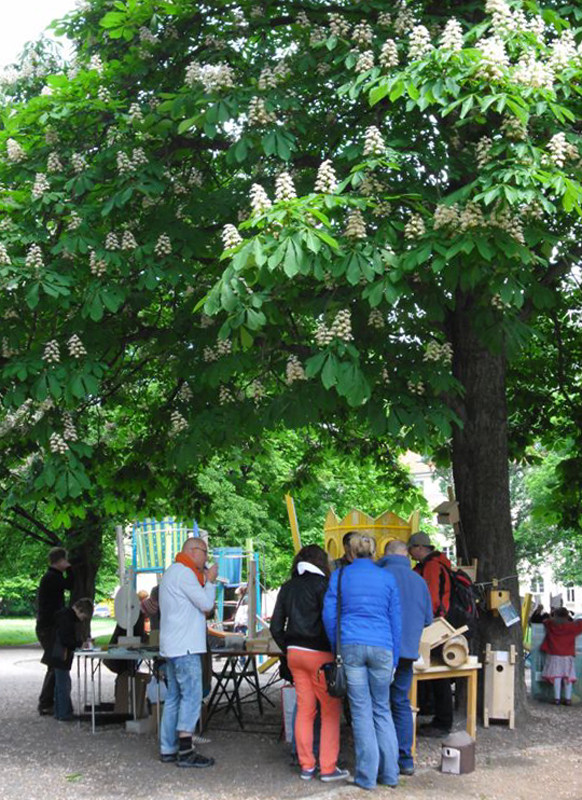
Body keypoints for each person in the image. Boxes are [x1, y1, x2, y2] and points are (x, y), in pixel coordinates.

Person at [323, 534, 401, 790]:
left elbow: (329, 615)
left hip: (351, 645)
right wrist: (395, 657)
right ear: (375, 552)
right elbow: (395, 620)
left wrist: (338, 646)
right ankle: (390, 773)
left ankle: (367, 777)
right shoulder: (387, 578)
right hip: (383, 647)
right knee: (382, 708)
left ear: (350, 553)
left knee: (360, 711)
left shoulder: (341, 576)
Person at [270, 544, 349, 783]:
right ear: (321, 562)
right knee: (330, 711)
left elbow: (275, 627)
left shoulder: (287, 587)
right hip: (320, 655)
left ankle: (306, 766)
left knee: (304, 710)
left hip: (294, 654)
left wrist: (289, 647)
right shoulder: (324, 586)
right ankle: (327, 768)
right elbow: (332, 621)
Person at [159, 536, 217, 768]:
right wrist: (210, 582)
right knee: (192, 695)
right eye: (205, 552)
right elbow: (205, 605)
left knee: (173, 697)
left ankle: (168, 748)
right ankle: (186, 750)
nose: (206, 559)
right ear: (194, 551)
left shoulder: (172, 573)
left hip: (173, 646)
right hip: (186, 646)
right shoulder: (184, 573)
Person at [377, 539, 433, 775]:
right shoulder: (419, 581)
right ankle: (405, 759)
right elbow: (429, 620)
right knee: (401, 703)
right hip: (407, 652)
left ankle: (381, 761)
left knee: (377, 705)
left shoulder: (378, 577)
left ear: (385, 555)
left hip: (380, 651)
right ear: (405, 556)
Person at [407, 531, 454, 736]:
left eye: (411, 549)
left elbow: (432, 598)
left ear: (419, 547)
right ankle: (432, 709)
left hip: (436, 625)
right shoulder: (436, 564)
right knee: (434, 670)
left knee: (438, 672)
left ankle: (443, 722)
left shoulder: (432, 566)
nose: (410, 554)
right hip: (440, 623)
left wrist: (422, 619)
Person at [35, 547, 74, 716]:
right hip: (49, 627)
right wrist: (70, 569)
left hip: (47, 626)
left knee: (54, 664)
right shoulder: (53, 577)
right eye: (65, 560)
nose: (67, 563)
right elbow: (70, 585)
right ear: (60, 561)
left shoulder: (52, 577)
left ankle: (48, 702)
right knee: (55, 664)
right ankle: (46, 703)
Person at [41, 597, 93, 721]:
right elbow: (66, 639)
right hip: (60, 655)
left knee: (60, 684)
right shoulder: (67, 619)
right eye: (83, 616)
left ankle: (60, 712)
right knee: (63, 684)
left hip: (56, 654)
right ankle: (64, 713)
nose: (82, 619)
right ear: (80, 610)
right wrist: (79, 644)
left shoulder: (64, 616)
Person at [541, 607, 582, 705]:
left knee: (557, 677)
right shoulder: (572, 627)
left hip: (554, 655)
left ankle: (557, 699)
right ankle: (568, 699)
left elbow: (545, 620)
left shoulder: (550, 625)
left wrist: (552, 616)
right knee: (568, 678)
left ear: (555, 615)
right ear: (567, 616)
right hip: (568, 655)